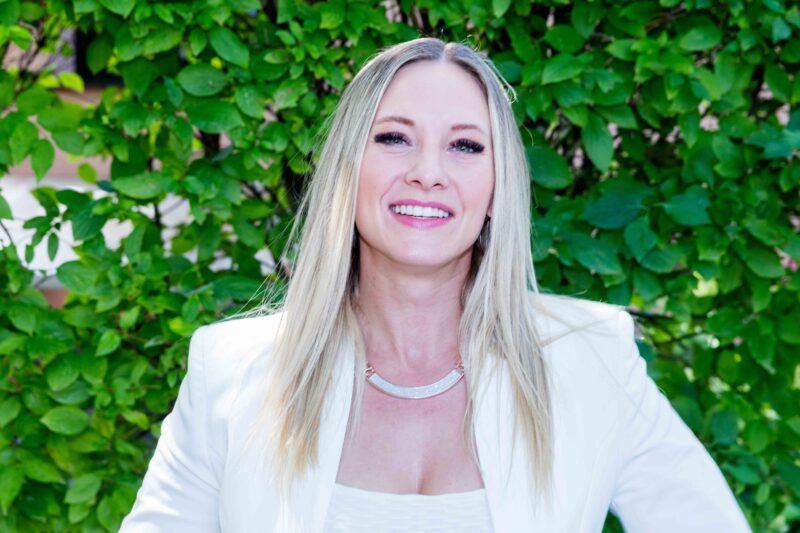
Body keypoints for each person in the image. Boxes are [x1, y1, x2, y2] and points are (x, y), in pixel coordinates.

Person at [120, 38, 751, 533]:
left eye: (466, 147)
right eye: (394, 138)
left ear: (497, 187)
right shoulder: (231, 372)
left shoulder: (590, 359)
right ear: (347, 171)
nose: (428, 172)